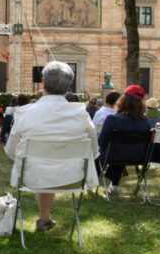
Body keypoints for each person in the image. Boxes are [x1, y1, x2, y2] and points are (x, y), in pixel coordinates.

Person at [6, 61, 98, 231]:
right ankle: (44, 218)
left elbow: (10, 151)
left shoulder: (24, 113)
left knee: (44, 169)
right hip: (73, 178)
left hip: (32, 176)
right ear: (68, 86)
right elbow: (93, 151)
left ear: (43, 84)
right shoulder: (81, 114)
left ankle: (44, 217)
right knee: (50, 168)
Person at [97, 85, 152, 194]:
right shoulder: (145, 121)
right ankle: (114, 184)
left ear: (123, 100)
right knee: (122, 149)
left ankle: (93, 183)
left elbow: (101, 142)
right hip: (138, 157)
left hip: (114, 156)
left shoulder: (112, 119)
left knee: (106, 153)